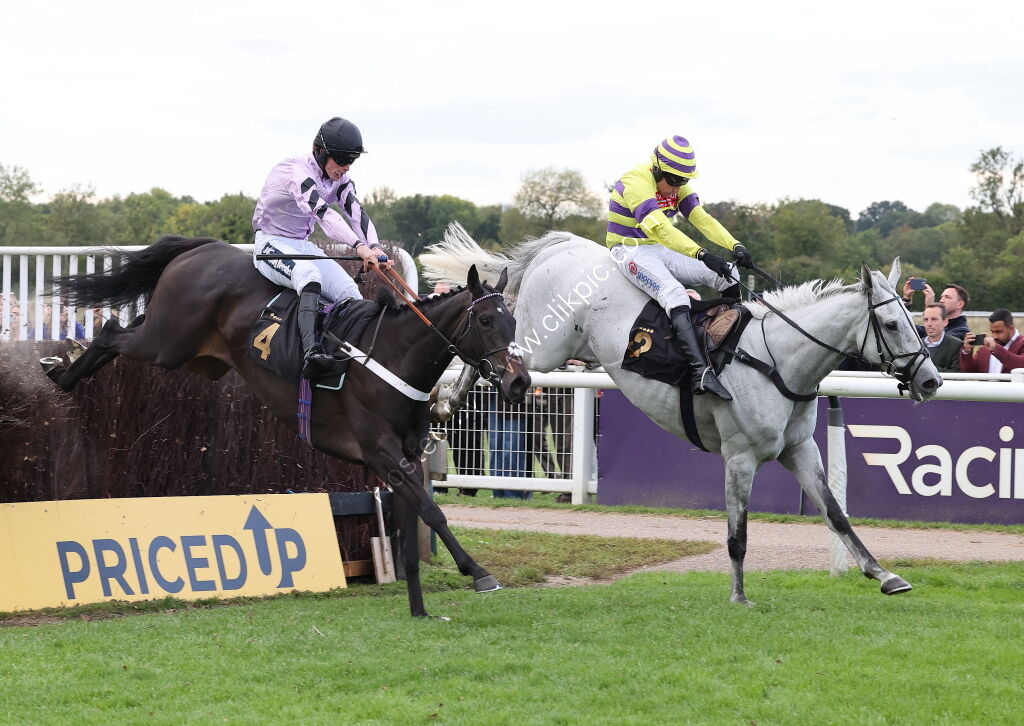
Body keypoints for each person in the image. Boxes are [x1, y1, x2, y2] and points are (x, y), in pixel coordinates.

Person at [606, 135, 753, 400]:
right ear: (657, 169)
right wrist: (701, 253)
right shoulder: (636, 181)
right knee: (674, 293)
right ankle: (700, 372)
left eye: (682, 181)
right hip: (629, 249)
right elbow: (662, 229)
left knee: (729, 273)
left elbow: (701, 218)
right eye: (673, 181)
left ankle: (732, 347)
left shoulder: (675, 184)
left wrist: (735, 245)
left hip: (659, 248)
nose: (676, 188)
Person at [252, 116, 393, 379]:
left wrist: (375, 248)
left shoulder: (340, 178)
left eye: (351, 161)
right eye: (341, 160)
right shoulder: (296, 172)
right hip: (270, 242)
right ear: (321, 152)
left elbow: (355, 213)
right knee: (309, 276)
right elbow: (325, 214)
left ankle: (353, 358)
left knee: (350, 293)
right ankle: (312, 353)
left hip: (301, 245)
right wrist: (359, 247)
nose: (346, 167)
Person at [903, 279, 971, 341]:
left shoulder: (962, 331)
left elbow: (936, 343)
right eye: (941, 297)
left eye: (947, 297)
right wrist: (907, 299)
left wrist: (929, 307)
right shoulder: (933, 327)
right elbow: (903, 328)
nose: (941, 300)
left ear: (960, 304)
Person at [959, 308, 1024, 374]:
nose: (994, 336)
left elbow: (1020, 364)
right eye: (992, 332)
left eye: (998, 332)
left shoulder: (1022, 343)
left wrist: (996, 349)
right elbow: (968, 372)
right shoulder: (986, 348)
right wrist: (967, 351)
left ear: (1011, 328)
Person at [920, 303, 961, 372]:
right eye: (926, 320)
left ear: (945, 322)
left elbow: (957, 374)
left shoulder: (956, 345)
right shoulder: (917, 344)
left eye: (934, 319)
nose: (929, 324)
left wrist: (927, 368)